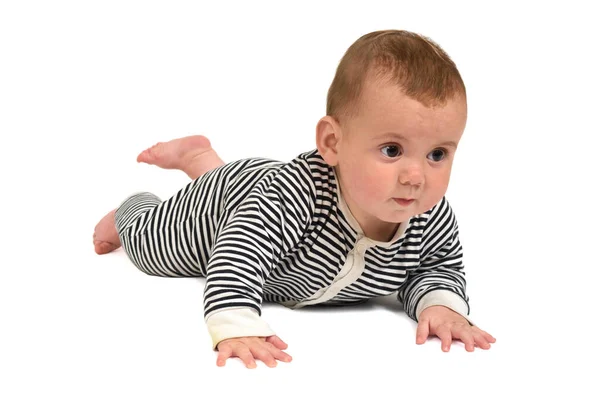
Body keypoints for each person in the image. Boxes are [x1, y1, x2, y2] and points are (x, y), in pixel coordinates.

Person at [93, 30, 496, 368]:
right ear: (333, 143)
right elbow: (240, 250)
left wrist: (440, 304)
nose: (415, 176)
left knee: (238, 193)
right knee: (152, 249)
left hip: (255, 187)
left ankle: (201, 159)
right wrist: (237, 322)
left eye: (437, 155)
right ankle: (132, 210)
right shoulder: (294, 198)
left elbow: (438, 267)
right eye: (392, 150)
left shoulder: (430, 219)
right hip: (220, 209)